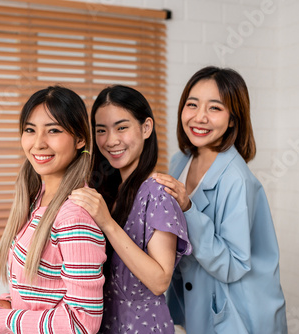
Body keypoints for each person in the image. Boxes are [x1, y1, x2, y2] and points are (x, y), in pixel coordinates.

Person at [153, 66, 287, 333]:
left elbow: (233, 265)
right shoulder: (181, 161)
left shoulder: (237, 179)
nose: (199, 117)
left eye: (215, 108)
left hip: (240, 314)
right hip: (198, 306)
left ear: (233, 119)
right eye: (192, 104)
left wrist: (188, 208)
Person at [0, 86, 106, 334]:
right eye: (30, 130)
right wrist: (8, 301)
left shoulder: (73, 216)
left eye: (53, 130)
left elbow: (82, 323)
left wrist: (0, 320)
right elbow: (48, 287)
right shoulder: (38, 197)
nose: (38, 143)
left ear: (80, 139)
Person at [69, 85, 192, 333]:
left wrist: (107, 223)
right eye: (101, 130)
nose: (111, 140)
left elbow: (160, 280)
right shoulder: (106, 190)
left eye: (121, 127)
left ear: (146, 128)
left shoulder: (157, 193)